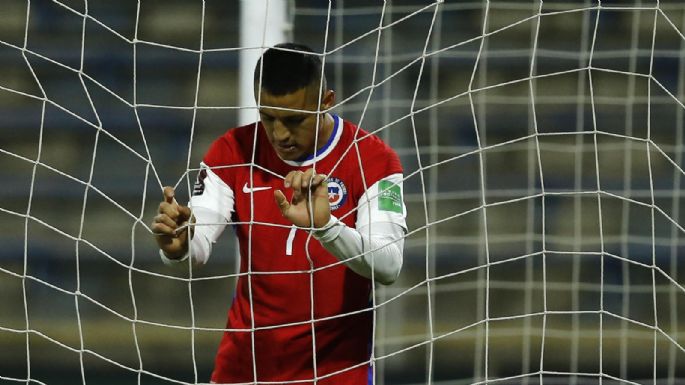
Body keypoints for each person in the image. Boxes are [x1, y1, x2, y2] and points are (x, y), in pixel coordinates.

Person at [151, 43, 407, 385]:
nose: (280, 134)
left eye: (294, 120)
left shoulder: (375, 160)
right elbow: (197, 244)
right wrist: (177, 246)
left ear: (327, 101)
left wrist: (325, 227)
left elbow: (389, 265)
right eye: (268, 117)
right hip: (246, 369)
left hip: (337, 370)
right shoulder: (233, 150)